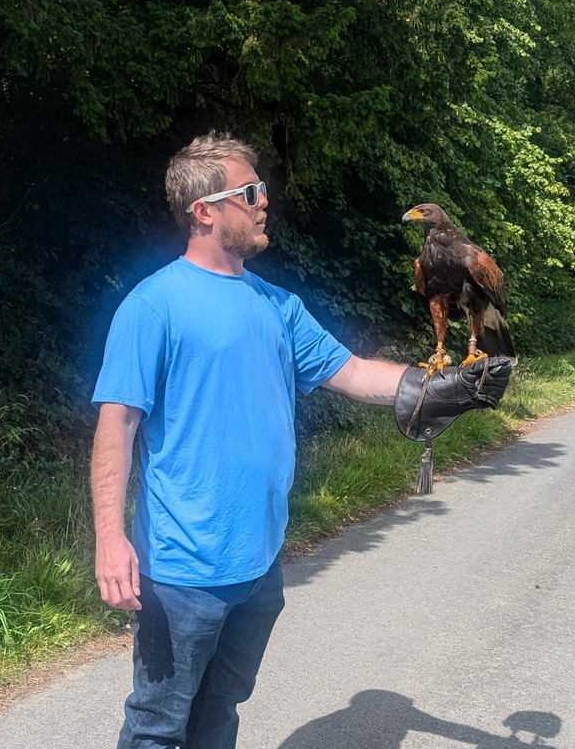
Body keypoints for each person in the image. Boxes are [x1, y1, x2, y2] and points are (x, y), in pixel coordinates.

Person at [89, 132, 408, 748]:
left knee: (220, 713)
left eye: (262, 190)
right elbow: (117, 424)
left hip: (258, 564)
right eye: (250, 191)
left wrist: (442, 384)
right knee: (158, 725)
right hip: (182, 571)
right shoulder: (153, 305)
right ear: (204, 210)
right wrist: (110, 537)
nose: (264, 201)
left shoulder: (277, 305)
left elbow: (357, 373)